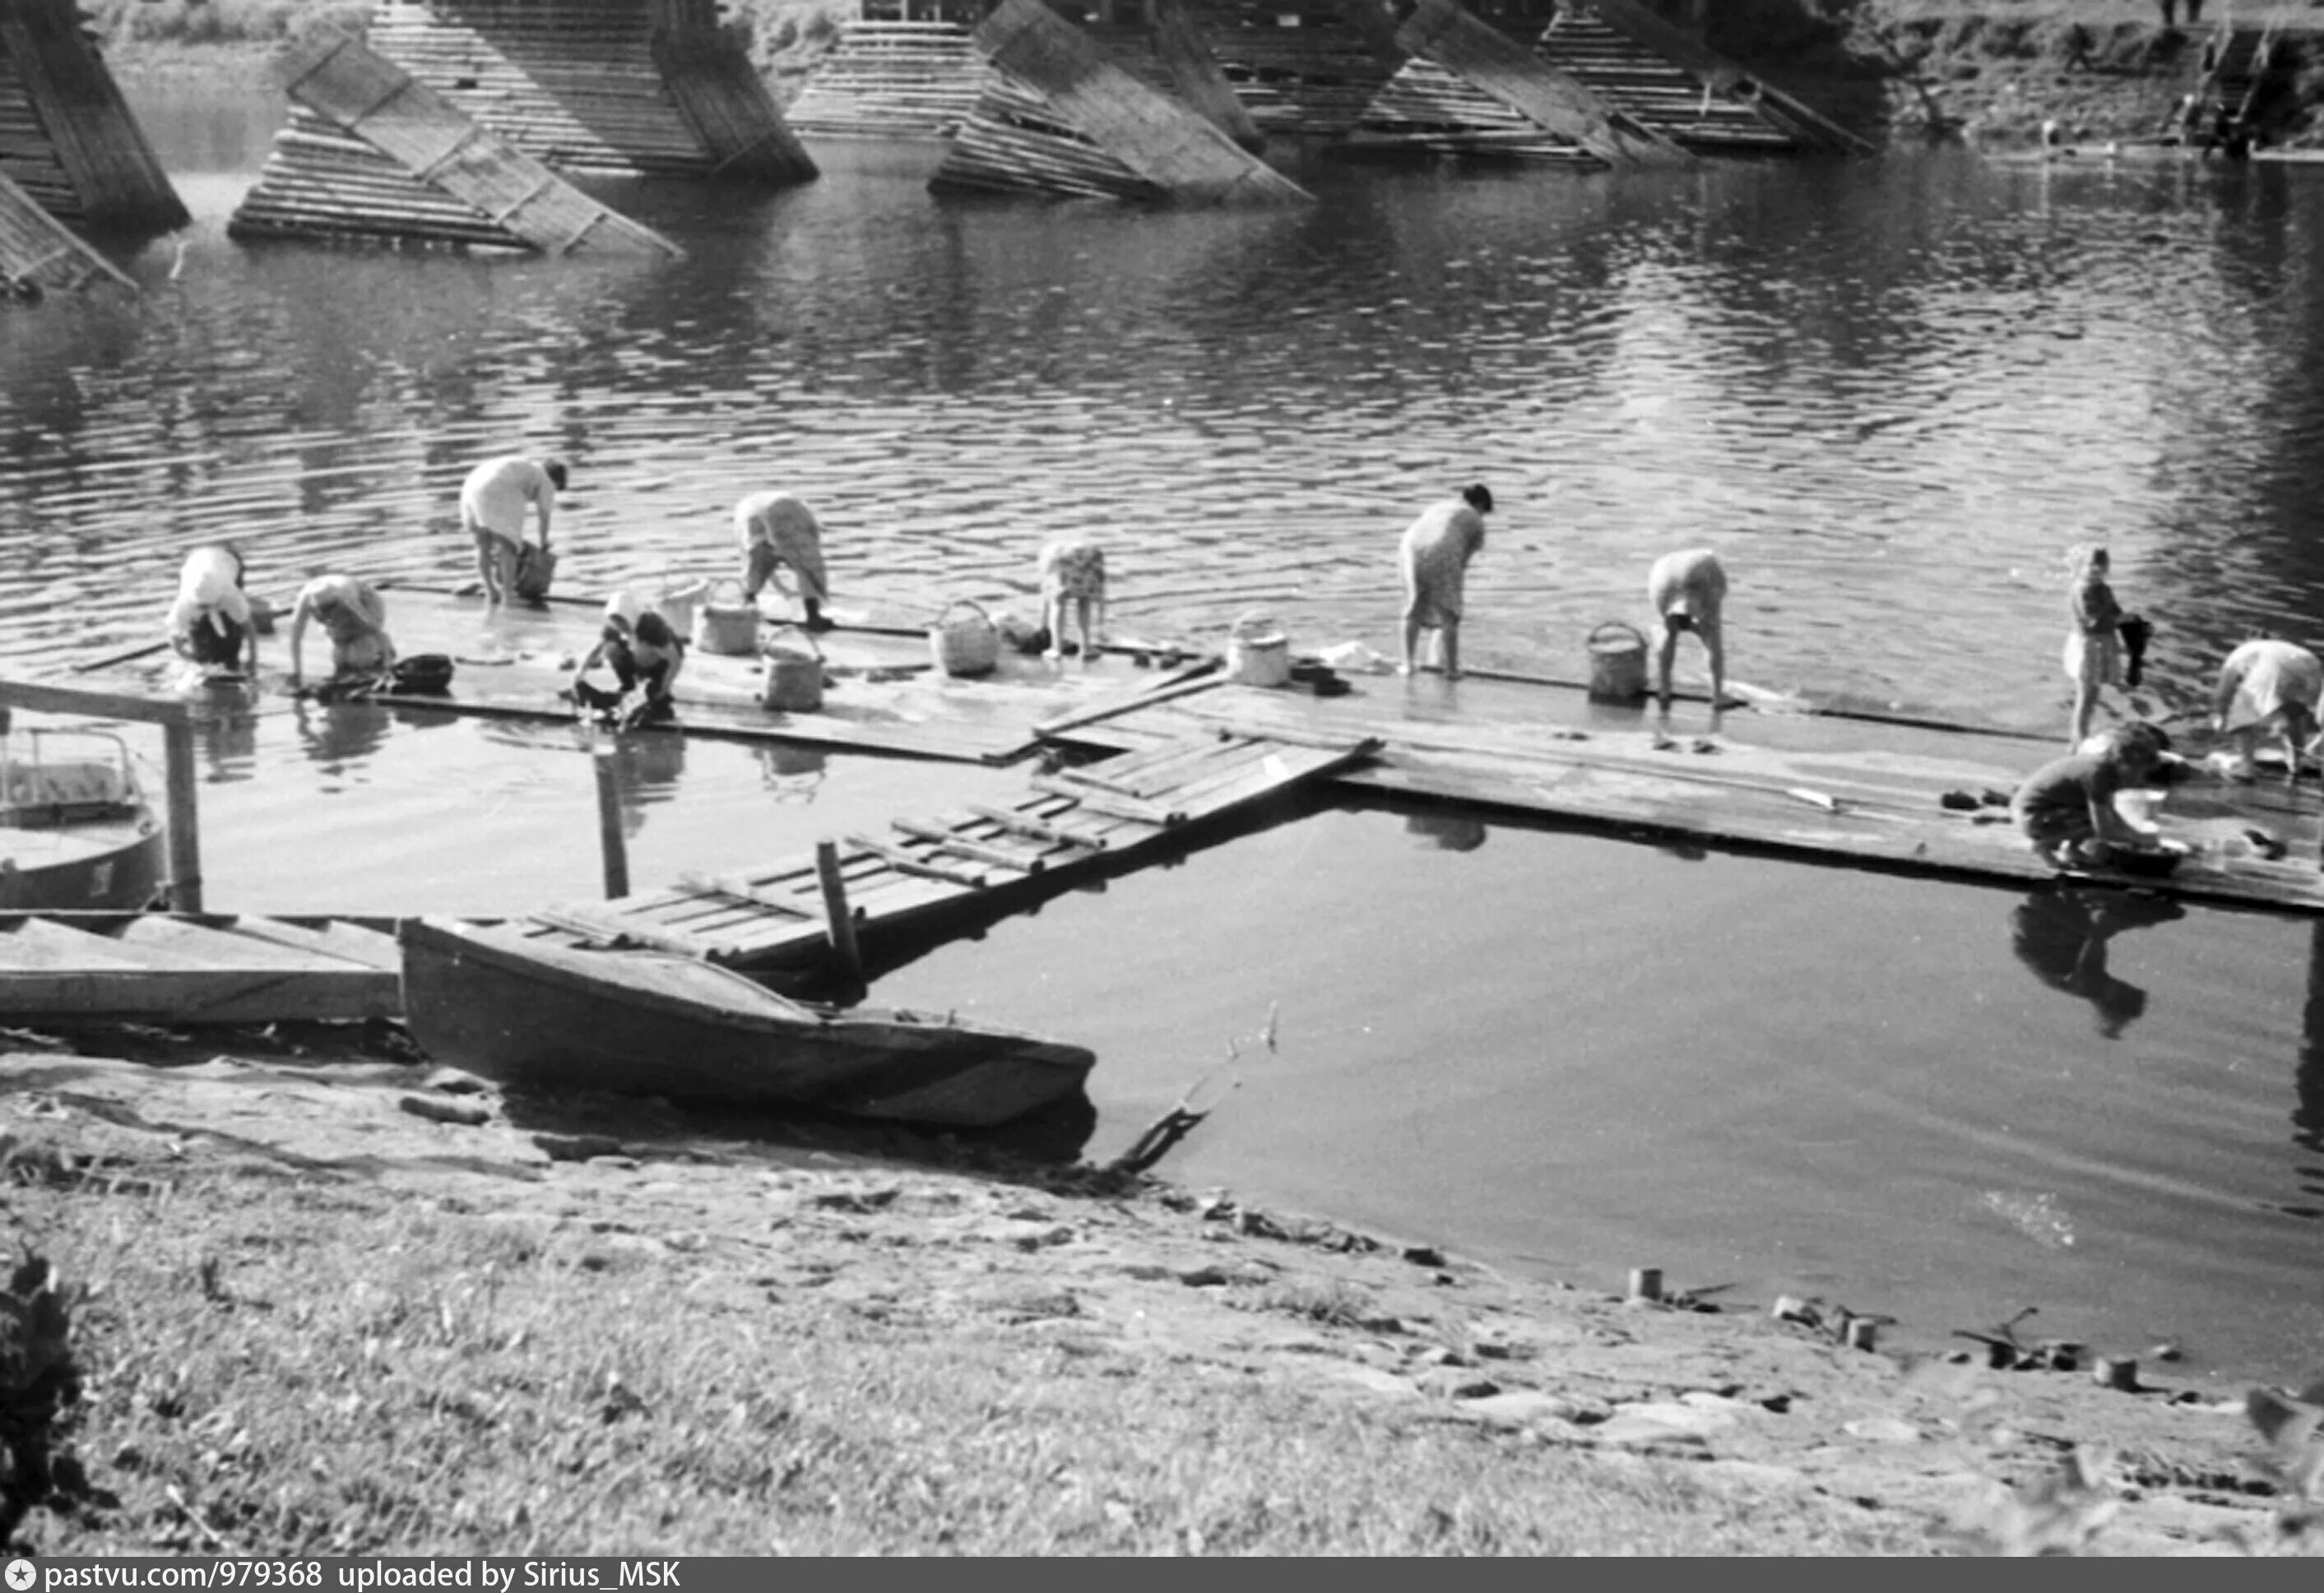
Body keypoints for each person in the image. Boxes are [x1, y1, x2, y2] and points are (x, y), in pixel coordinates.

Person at [2010, 720, 2174, 871]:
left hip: (2045, 811)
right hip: (2032, 817)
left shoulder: (2106, 768)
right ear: (2124, 763)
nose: (2139, 779)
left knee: (2093, 817)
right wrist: (2136, 839)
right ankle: (2044, 846)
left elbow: (2110, 812)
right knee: (2091, 823)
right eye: (2139, 772)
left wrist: (2134, 832)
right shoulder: (2097, 775)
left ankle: (2072, 850)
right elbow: (2104, 830)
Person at [1397, 484, 1492, 679]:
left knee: (1414, 606)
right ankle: (1451, 669)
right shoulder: (1475, 519)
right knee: (1450, 613)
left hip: (1410, 546)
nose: (1483, 516)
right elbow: (1462, 561)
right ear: (1481, 504)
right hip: (1443, 550)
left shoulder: (1439, 507)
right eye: (1485, 511)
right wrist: (1450, 595)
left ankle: (1408, 664)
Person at [2210, 637, 2323, 783]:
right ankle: (2296, 761)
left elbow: (2222, 693)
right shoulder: (2274, 646)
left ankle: (2247, 768)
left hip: (2275, 664)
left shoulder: (2238, 655)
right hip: (2311, 663)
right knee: (2295, 709)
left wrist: (2220, 717)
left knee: (2242, 711)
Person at [459, 455, 566, 606]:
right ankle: (508, 596)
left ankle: (491, 590)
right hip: (498, 486)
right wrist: (544, 542)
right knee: (508, 545)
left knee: (483, 542)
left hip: (473, 484)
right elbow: (544, 515)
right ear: (557, 480)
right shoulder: (545, 479)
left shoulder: (526, 467)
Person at [571, 590, 684, 729]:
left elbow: (675, 661)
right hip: (637, 659)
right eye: (615, 621)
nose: (619, 626)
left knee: (653, 697)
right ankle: (628, 685)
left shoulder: (651, 627)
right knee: (611, 649)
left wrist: (664, 688)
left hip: (659, 663)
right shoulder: (613, 628)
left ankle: (654, 687)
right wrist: (580, 672)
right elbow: (597, 649)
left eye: (622, 621)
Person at [734, 490, 832, 632]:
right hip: (784, 510)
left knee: (756, 565)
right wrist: (819, 592)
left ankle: (747, 610)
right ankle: (814, 617)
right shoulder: (803, 517)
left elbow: (759, 563)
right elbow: (809, 566)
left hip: (748, 513)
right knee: (806, 566)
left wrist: (782, 589)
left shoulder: (747, 508)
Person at [1646, 548, 1728, 711]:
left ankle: (1664, 689)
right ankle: (1718, 696)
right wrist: (1705, 626)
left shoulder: (1666, 567)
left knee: (1668, 630)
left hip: (1662, 575)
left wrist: (1690, 622)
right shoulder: (1708, 560)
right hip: (1700, 570)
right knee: (1712, 637)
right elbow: (1721, 592)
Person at [2062, 544, 2125, 748]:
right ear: (2081, 567)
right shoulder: (2083, 590)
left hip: (2102, 642)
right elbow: (2093, 620)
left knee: (2093, 692)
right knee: (2085, 693)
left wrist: (2128, 622)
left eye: (2102, 565)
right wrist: (2115, 621)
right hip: (2088, 644)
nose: (2097, 569)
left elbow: (2114, 610)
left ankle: (2083, 734)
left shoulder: (2103, 588)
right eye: (2091, 565)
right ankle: (2078, 739)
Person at [285, 574, 394, 688]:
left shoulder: (347, 598)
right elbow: (295, 639)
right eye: (324, 610)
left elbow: (374, 629)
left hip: (366, 599)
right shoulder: (304, 602)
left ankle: (384, 647)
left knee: (361, 661)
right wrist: (297, 673)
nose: (328, 613)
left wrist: (387, 661)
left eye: (330, 608)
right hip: (339, 602)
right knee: (341, 661)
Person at [166, 544, 258, 674]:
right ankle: (206, 656)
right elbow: (175, 637)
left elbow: (249, 628)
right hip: (195, 562)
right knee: (198, 629)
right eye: (201, 607)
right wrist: (190, 658)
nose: (205, 609)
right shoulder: (185, 602)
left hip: (228, 560)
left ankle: (231, 660)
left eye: (207, 607)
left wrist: (252, 661)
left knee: (231, 626)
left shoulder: (230, 595)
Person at [1037, 538, 1107, 664]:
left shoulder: (1049, 559)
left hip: (1062, 558)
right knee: (1085, 601)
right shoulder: (1093, 556)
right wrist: (1101, 628)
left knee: (1057, 603)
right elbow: (1101, 598)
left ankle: (1056, 649)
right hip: (1091, 557)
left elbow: (1046, 601)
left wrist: (1043, 627)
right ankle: (1085, 647)